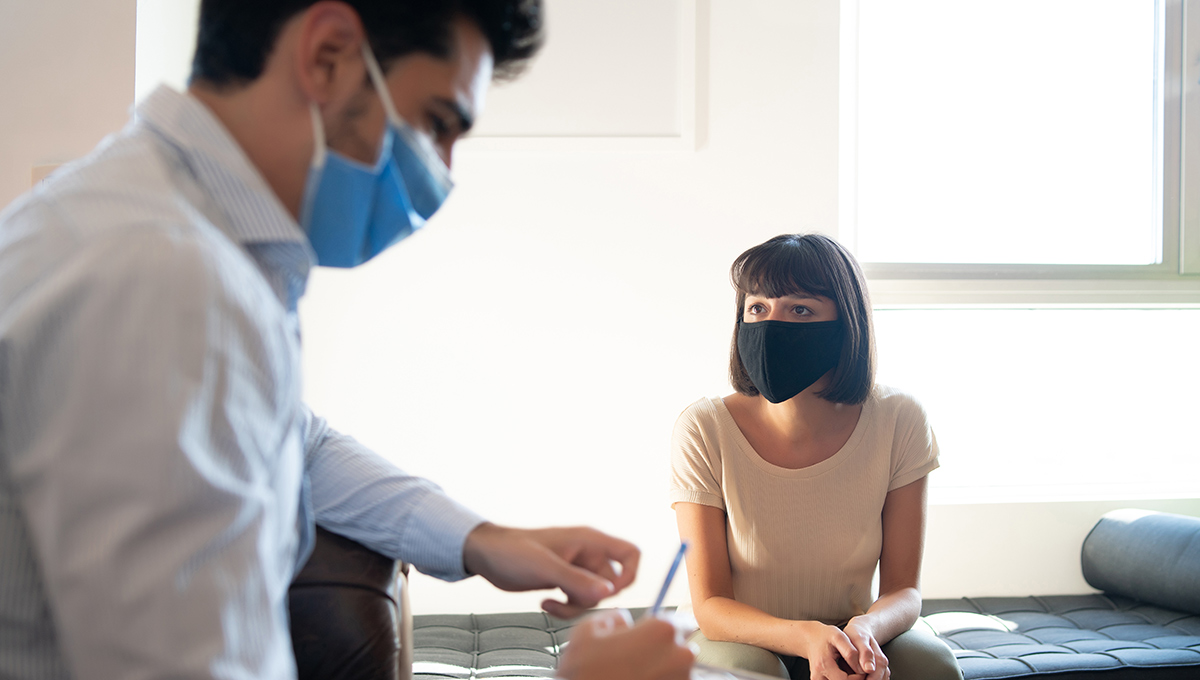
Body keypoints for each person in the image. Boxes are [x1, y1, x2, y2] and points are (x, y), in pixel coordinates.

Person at [0, 1, 693, 679]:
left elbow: (296, 442)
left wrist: (480, 541)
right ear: (328, 55)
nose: (446, 172)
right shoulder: (170, 280)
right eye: (437, 122)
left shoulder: (141, 223)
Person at [669, 234, 962, 680]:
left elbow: (904, 590)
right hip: (735, 635)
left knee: (932, 664)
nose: (772, 324)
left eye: (800, 309)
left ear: (845, 322)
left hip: (851, 629)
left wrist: (865, 630)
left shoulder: (900, 419)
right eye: (757, 308)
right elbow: (710, 606)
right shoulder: (705, 427)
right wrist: (805, 637)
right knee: (750, 674)